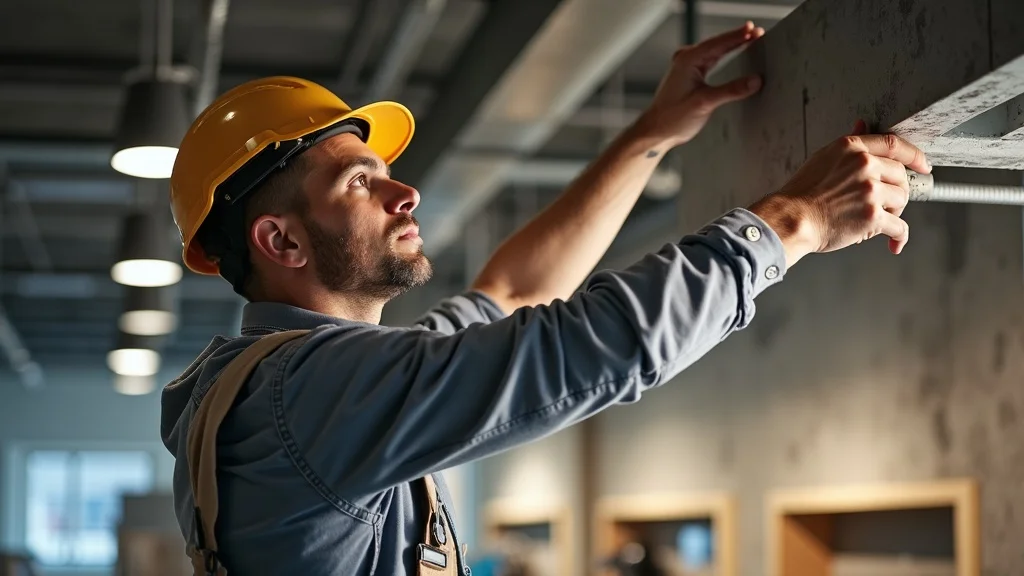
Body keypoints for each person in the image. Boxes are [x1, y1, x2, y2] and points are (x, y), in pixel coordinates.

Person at [160, 21, 930, 575]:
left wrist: (652, 135)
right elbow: (589, 349)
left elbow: (512, 291)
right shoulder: (305, 394)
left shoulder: (296, 386)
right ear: (282, 243)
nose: (405, 191)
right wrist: (798, 220)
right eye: (359, 182)